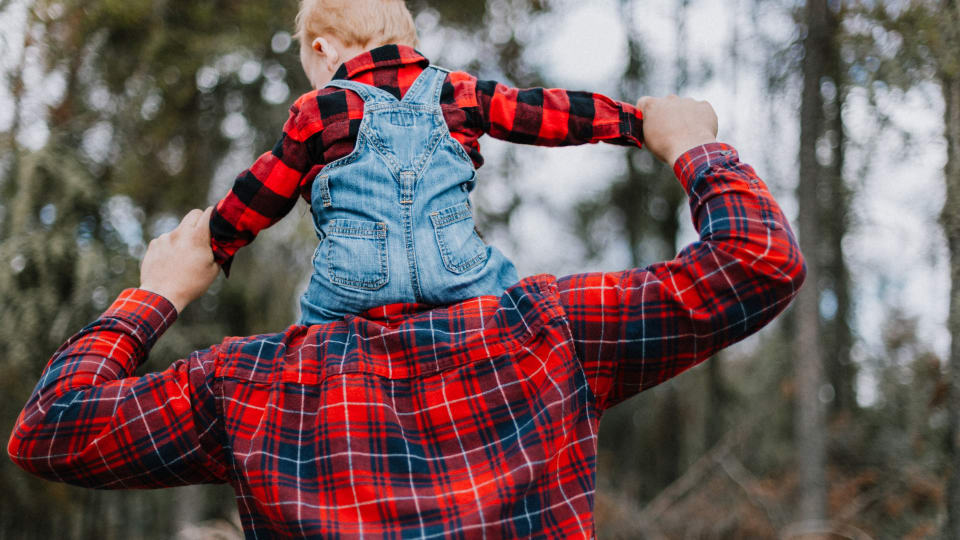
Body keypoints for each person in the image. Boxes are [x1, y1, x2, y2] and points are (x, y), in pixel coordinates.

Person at [8, 96, 805, 538]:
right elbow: (759, 262)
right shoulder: (550, 332)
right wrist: (685, 144)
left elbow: (53, 429)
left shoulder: (252, 385)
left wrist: (158, 294)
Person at [210, 0, 646, 324]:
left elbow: (262, 192)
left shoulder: (317, 111)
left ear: (325, 51)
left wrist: (216, 239)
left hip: (349, 293)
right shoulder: (456, 92)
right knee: (525, 317)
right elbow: (543, 113)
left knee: (306, 355)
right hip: (463, 281)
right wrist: (630, 121)